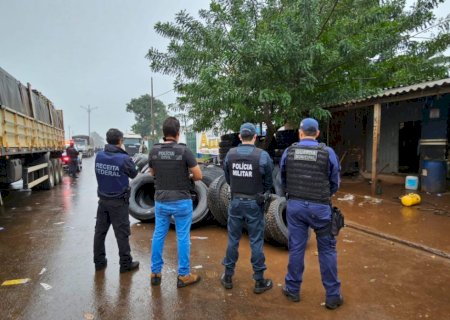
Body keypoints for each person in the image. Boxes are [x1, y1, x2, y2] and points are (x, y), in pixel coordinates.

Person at [280, 118, 343, 309]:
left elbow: (283, 179)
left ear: (300, 133)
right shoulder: (328, 152)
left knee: (297, 248)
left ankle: (292, 289)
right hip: (321, 208)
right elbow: (335, 183)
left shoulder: (289, 152)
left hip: (295, 206)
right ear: (317, 133)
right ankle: (332, 296)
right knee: (327, 250)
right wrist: (324, 195)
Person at [148, 117, 203, 288]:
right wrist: (187, 176)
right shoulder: (184, 151)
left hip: (161, 200)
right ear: (178, 133)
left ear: (163, 134)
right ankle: (184, 275)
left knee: (158, 235)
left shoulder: (154, 151)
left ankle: (155, 273)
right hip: (181, 201)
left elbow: (152, 173)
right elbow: (199, 176)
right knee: (183, 237)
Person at [221, 123, 274, 294]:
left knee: (233, 239)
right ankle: (259, 281)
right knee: (256, 241)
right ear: (255, 137)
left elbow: (227, 177)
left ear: (239, 137)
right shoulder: (262, 156)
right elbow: (268, 182)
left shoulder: (230, 154)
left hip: (235, 202)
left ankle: (228, 276)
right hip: (254, 204)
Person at [93, 129, 139, 273]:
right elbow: (134, 173)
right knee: (122, 234)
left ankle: (99, 262)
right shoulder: (123, 159)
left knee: (100, 232)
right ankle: (125, 264)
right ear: (120, 141)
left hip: (103, 201)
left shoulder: (99, 156)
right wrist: (124, 153)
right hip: (118, 203)